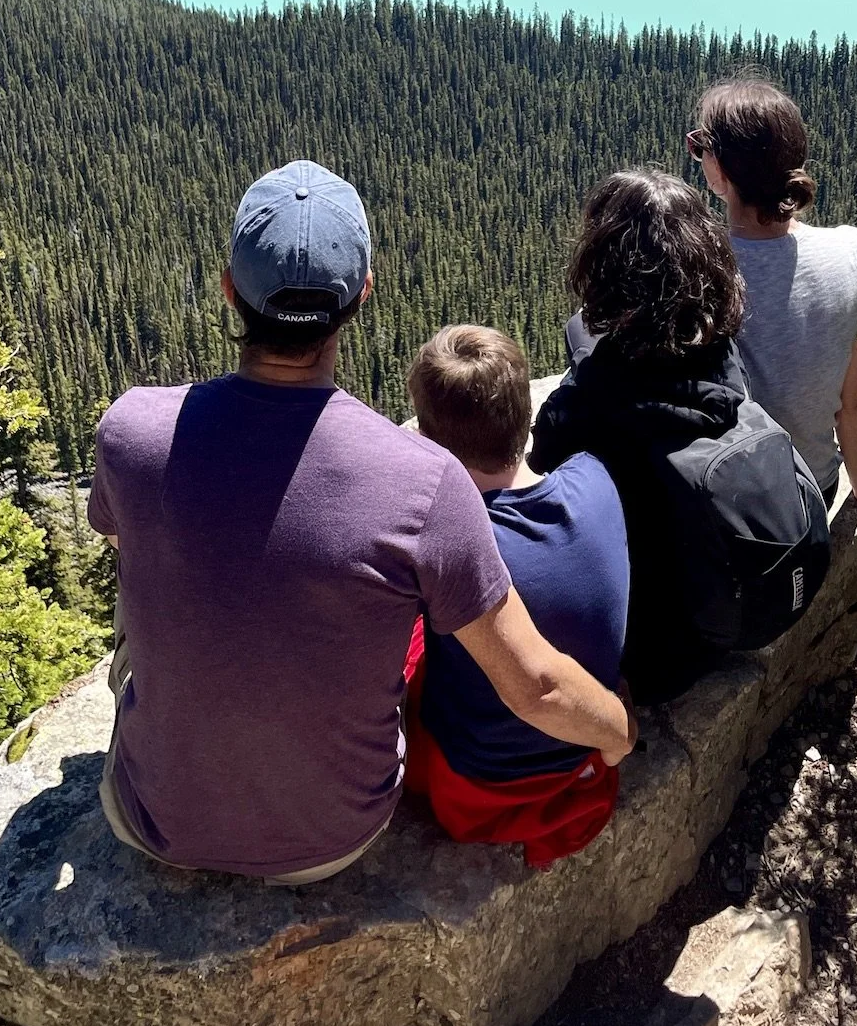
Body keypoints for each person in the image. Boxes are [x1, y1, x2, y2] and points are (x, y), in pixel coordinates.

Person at [87, 159, 634, 884]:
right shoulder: (425, 480)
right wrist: (620, 731)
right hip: (337, 837)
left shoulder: (130, 429)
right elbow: (535, 685)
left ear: (228, 290)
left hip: (154, 822)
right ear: (361, 295)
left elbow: (125, 545)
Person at [404, 324, 630, 869]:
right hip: (584, 750)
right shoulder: (594, 480)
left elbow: (537, 687)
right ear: (525, 417)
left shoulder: (452, 549)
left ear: (433, 442)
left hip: (479, 782)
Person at [531, 168, 752, 702]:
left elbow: (542, 462)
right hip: (714, 624)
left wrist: (587, 366)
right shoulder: (725, 362)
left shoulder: (585, 406)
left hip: (645, 655)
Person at [688, 79, 857, 516]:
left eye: (700, 146)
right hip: (811, 495)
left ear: (719, 171)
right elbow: (854, 399)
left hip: (724, 505)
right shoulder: (856, 252)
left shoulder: (698, 267)